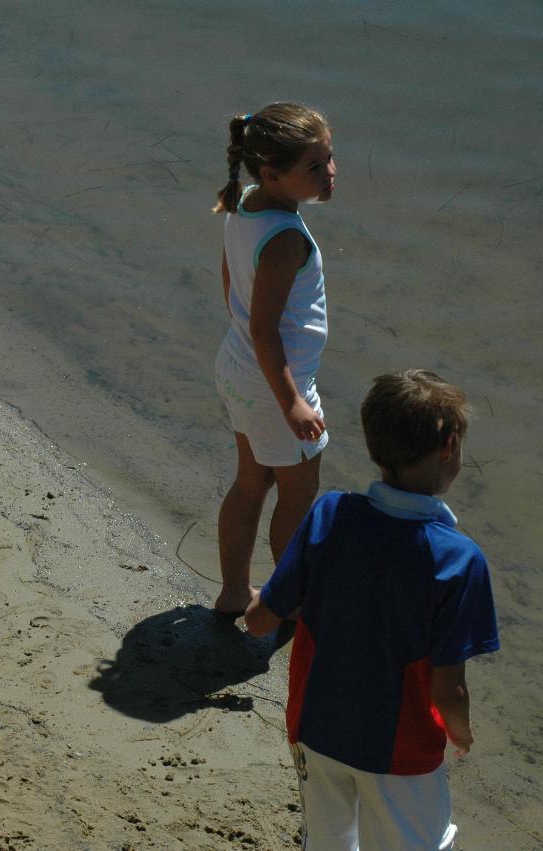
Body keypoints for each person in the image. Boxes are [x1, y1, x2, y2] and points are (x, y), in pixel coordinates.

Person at [246, 369, 499, 850]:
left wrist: (254, 602)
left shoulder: (330, 513)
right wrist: (461, 734)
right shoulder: (459, 560)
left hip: (314, 726)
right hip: (401, 748)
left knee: (329, 839)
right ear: (448, 448)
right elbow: (450, 687)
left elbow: (261, 620)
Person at [211, 102, 338, 615]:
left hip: (238, 366)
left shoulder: (245, 201)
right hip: (275, 384)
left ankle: (234, 591)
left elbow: (231, 286)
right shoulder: (286, 238)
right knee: (298, 491)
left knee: (251, 481)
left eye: (330, 157)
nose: (330, 172)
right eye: (314, 166)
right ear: (272, 173)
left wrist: (248, 340)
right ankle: (287, 603)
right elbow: (266, 329)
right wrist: (291, 404)